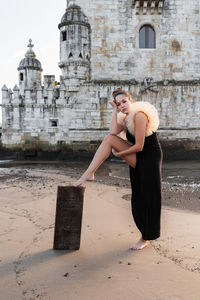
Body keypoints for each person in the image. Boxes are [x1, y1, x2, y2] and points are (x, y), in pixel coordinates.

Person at [73, 88, 162, 251]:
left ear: (131, 101)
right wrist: (114, 110)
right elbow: (113, 132)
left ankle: (145, 238)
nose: (122, 105)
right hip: (138, 155)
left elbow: (140, 146)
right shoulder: (125, 118)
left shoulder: (140, 115)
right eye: (118, 103)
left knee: (147, 197)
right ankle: (90, 172)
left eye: (124, 102)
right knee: (138, 196)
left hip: (149, 157)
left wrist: (120, 153)